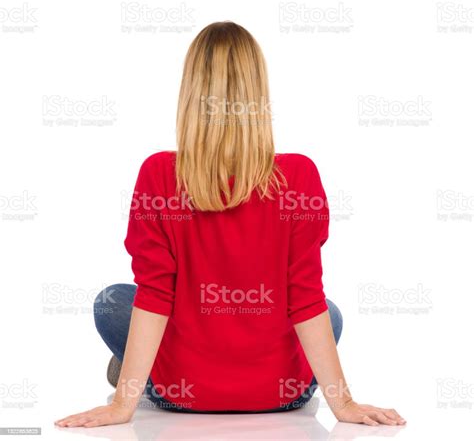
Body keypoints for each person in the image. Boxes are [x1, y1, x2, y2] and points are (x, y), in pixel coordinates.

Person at [55, 22, 405, 428]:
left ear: (189, 93)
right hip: (282, 392)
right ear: (258, 95)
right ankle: (159, 369)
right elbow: (305, 297)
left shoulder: (157, 174)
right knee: (328, 312)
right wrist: (343, 404)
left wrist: (122, 406)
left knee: (113, 300)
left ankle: (141, 373)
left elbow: (155, 295)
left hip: (183, 392)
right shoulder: (300, 175)